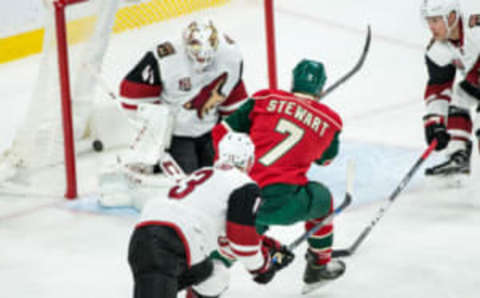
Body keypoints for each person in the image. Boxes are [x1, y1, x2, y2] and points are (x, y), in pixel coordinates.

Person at [211, 59, 346, 293]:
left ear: (293, 82)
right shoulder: (330, 121)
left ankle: (199, 279)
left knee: (232, 245)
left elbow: (221, 134)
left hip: (242, 192)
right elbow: (325, 160)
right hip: (283, 201)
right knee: (322, 198)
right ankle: (318, 266)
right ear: (322, 88)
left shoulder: (264, 99)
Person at [127, 132, 294, 298]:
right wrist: (262, 267)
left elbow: (224, 238)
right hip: (172, 243)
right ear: (250, 161)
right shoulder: (243, 184)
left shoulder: (203, 175)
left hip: (146, 238)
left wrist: (263, 246)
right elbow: (241, 240)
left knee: (215, 275)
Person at [119, 19, 248, 175]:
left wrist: (233, 131)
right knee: (189, 183)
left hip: (212, 131)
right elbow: (132, 95)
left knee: (219, 177)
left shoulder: (230, 55)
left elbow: (234, 94)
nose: (202, 62)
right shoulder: (165, 56)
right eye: (198, 56)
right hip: (177, 136)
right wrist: (155, 129)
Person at [420, 0, 480, 182]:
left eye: (436, 20)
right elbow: (439, 85)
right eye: (429, 20)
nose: (431, 26)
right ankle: (458, 155)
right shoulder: (438, 49)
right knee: (457, 98)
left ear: (452, 16)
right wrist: (435, 121)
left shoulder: (476, 30)